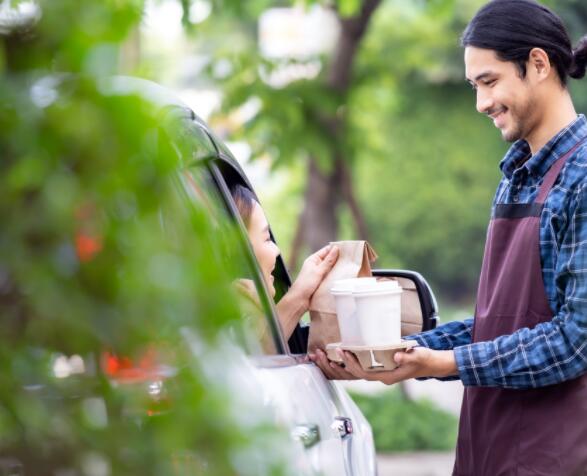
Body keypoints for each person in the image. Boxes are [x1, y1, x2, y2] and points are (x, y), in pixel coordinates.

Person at [311, 1, 587, 475]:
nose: (481, 103)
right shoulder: (518, 175)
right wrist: (399, 352)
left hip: (554, 456)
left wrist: (443, 363)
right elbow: (501, 321)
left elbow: (575, 340)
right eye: (474, 86)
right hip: (490, 449)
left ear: (538, 64)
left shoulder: (582, 177)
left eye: (489, 81)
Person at [230, 184, 338, 341]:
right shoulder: (235, 313)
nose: (277, 250)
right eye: (267, 238)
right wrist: (299, 296)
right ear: (238, 252)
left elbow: (261, 351)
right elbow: (258, 356)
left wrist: (301, 297)